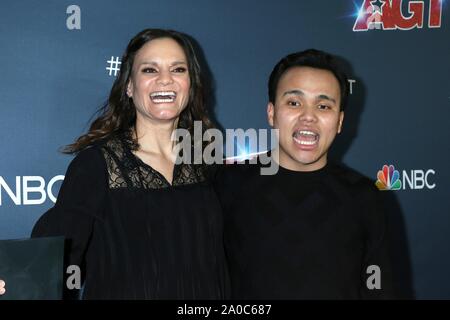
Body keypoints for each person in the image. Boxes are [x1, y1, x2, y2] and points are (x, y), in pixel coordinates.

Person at [0, 29, 229, 300]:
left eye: (178, 69)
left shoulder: (207, 163)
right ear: (129, 86)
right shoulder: (97, 165)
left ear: (191, 85)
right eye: (149, 70)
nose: (165, 79)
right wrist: (13, 278)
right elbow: (57, 255)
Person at [215, 49, 396, 299]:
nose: (308, 117)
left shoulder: (363, 196)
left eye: (323, 106)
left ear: (340, 121)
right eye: (294, 103)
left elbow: (380, 289)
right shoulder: (226, 187)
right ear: (271, 113)